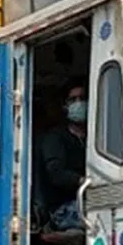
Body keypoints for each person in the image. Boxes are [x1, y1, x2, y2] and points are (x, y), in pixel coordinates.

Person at [39, 84, 89, 231]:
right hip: (62, 208)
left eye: (82, 98)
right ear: (65, 106)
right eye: (73, 100)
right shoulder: (55, 138)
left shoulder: (96, 138)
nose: (79, 103)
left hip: (87, 202)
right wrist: (83, 181)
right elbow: (56, 174)